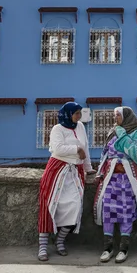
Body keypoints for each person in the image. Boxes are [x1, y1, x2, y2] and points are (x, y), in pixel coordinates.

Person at [37, 102, 94, 262]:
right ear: (67, 114)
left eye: (79, 113)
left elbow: (86, 148)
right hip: (57, 170)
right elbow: (58, 148)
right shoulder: (58, 129)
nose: (78, 116)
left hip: (75, 171)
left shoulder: (81, 127)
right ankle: (42, 246)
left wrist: (88, 168)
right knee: (50, 205)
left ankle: (60, 240)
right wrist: (76, 150)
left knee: (75, 206)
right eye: (76, 114)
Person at [94, 106, 137, 264]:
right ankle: (108, 248)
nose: (115, 118)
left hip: (128, 178)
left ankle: (123, 248)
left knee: (126, 211)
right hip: (111, 178)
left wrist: (122, 136)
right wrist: (100, 171)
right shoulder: (113, 130)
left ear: (126, 116)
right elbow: (105, 152)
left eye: (118, 115)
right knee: (108, 209)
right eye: (114, 115)